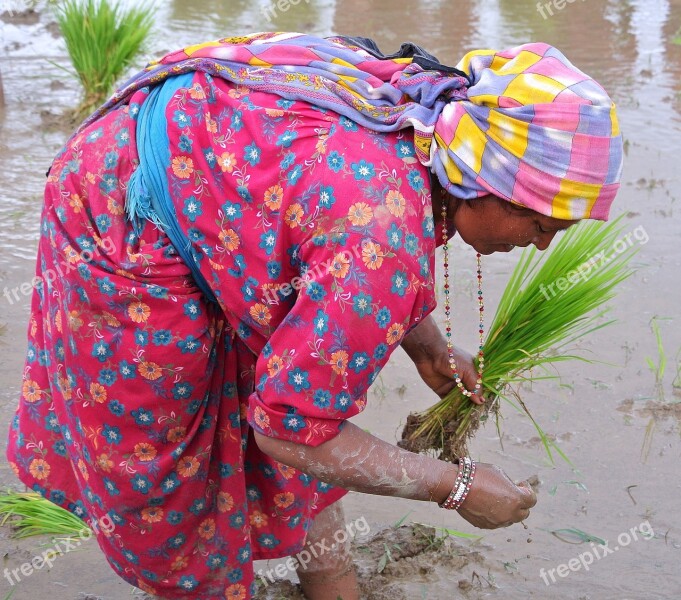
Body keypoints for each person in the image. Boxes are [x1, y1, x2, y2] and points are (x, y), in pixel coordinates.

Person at [6, 32, 622, 600]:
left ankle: (335, 588)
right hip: (120, 203)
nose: (542, 244)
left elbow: (323, 249)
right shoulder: (382, 233)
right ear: (488, 178)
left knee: (302, 383)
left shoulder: (428, 126)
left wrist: (428, 348)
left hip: (211, 184)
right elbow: (293, 428)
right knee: (176, 452)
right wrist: (455, 487)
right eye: (541, 224)